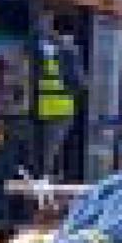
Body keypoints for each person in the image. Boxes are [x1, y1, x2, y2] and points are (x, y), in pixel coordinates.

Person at [34, 28, 84, 180]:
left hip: (51, 112)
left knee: (43, 160)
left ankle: (43, 185)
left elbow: (78, 82)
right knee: (46, 159)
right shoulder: (68, 51)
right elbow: (79, 83)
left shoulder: (64, 51)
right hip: (54, 111)